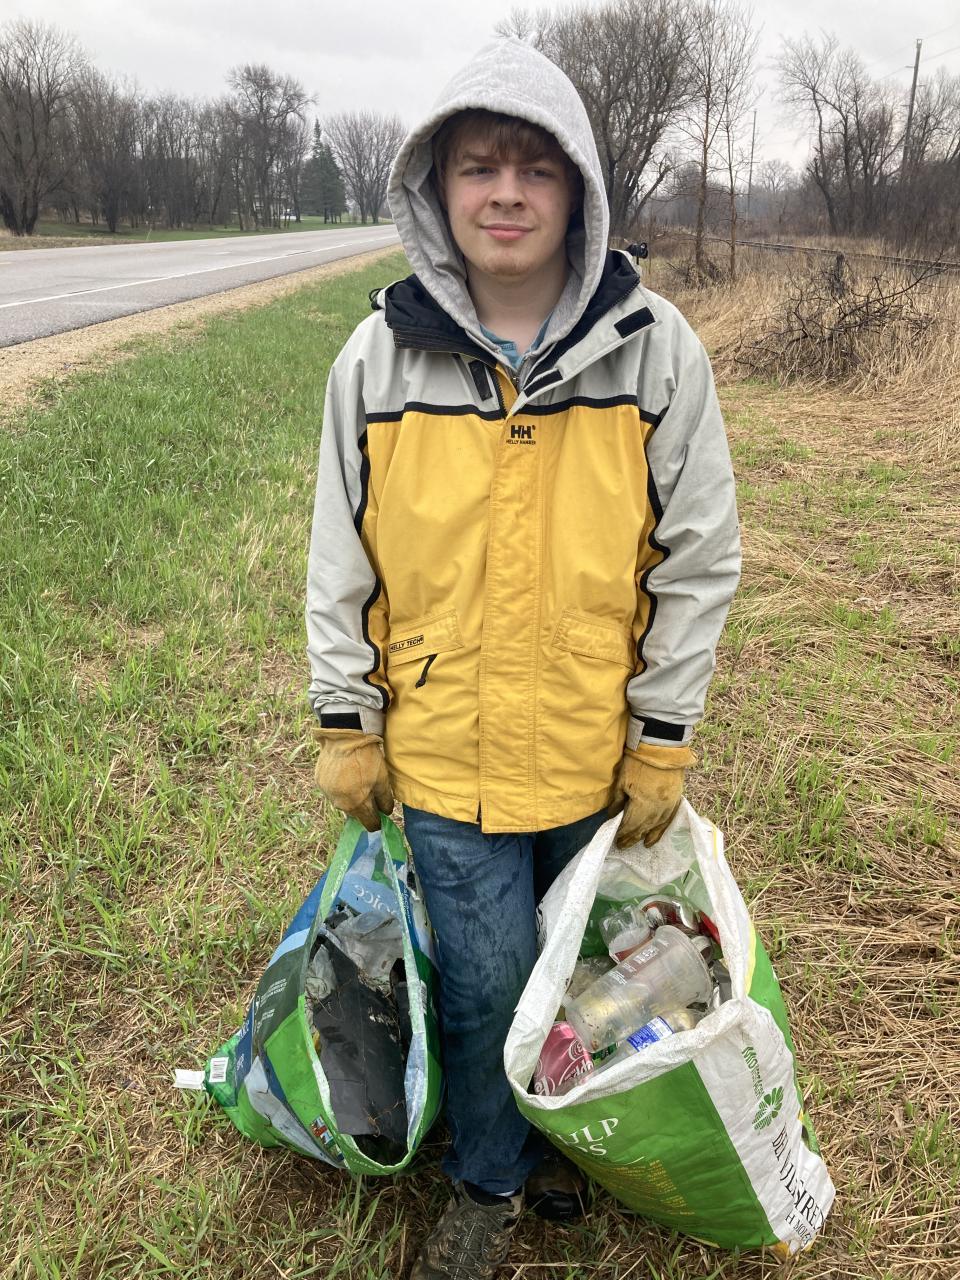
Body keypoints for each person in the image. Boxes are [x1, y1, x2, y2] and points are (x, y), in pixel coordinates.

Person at [306, 36, 740, 1280]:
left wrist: (663, 735)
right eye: (479, 167)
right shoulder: (376, 360)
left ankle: (576, 1142)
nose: (506, 193)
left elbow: (699, 557)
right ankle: (490, 1175)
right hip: (448, 753)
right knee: (487, 986)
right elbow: (341, 557)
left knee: (594, 981)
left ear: (578, 187)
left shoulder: (656, 349)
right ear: (436, 187)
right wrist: (347, 718)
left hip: (598, 754)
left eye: (534, 168)